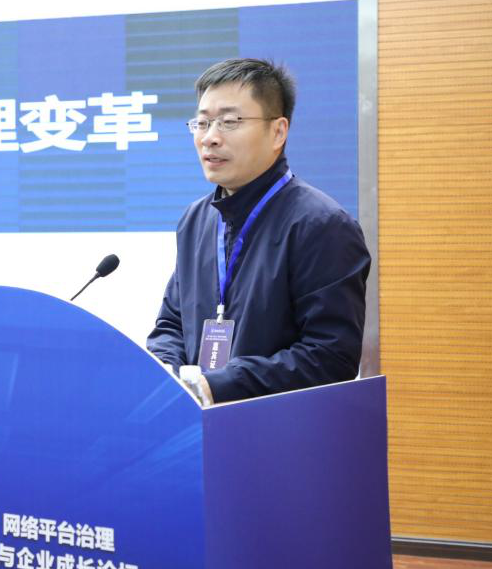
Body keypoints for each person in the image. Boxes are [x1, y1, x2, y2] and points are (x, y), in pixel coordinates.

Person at [146, 58, 370, 404]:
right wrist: (168, 373)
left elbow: (330, 355)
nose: (210, 138)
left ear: (278, 131)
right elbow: (172, 324)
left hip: (278, 428)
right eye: (202, 123)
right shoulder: (196, 219)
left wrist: (219, 385)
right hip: (193, 422)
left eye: (230, 122)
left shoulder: (321, 225)